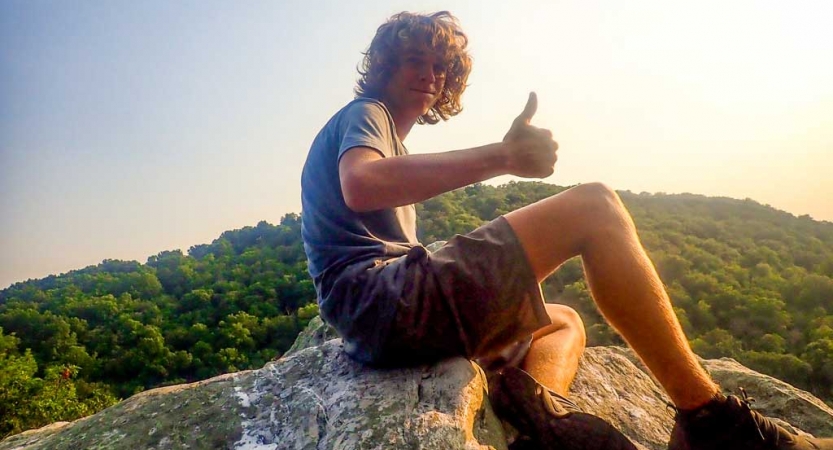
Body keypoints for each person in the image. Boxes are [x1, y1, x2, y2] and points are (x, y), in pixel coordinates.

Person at [300, 11, 832, 450]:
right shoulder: (368, 114)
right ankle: (712, 422)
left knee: (561, 320)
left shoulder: (393, 138)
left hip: (383, 318)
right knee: (594, 207)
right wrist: (503, 156)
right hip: (381, 301)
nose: (430, 75)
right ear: (384, 67)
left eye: (439, 66)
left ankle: (539, 415)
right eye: (413, 61)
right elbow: (362, 185)